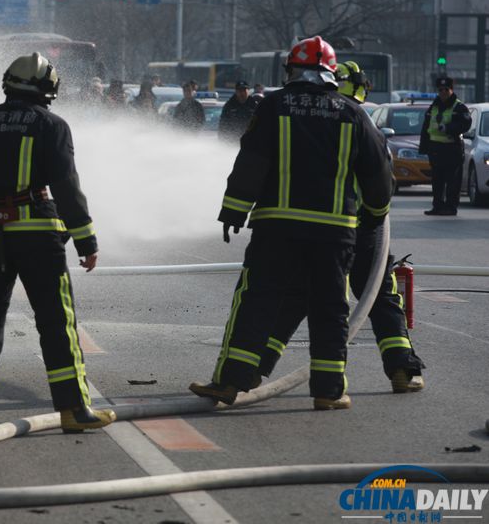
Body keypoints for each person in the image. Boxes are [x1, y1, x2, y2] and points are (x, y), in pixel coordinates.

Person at [189, 36, 393, 410]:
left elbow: (252, 160)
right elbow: (378, 176)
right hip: (334, 232)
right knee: (330, 308)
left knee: (256, 301)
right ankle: (328, 391)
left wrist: (234, 210)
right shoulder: (353, 113)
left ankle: (232, 380)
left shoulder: (274, 105)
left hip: (277, 228)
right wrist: (374, 217)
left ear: (291, 70)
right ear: (331, 72)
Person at [0, 52, 116, 434]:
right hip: (38, 238)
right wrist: (86, 241)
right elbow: (66, 185)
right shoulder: (52, 125)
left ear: (7, 83)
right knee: (56, 322)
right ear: (49, 89)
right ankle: (73, 410)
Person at [256, 60, 425, 394]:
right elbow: (382, 180)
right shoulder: (359, 118)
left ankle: (253, 367)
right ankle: (402, 367)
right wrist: (374, 218)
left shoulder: (316, 115)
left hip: (321, 228)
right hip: (360, 228)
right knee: (380, 297)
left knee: (297, 296)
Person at [419, 76, 471, 216]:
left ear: (451, 90)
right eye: (440, 90)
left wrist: (448, 128)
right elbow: (426, 127)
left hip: (452, 149)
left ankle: (450, 207)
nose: (443, 92)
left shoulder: (459, 107)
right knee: (437, 181)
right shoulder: (434, 106)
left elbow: (465, 124)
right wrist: (423, 147)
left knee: (453, 181)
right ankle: (437, 206)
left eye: (446, 89)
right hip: (435, 150)